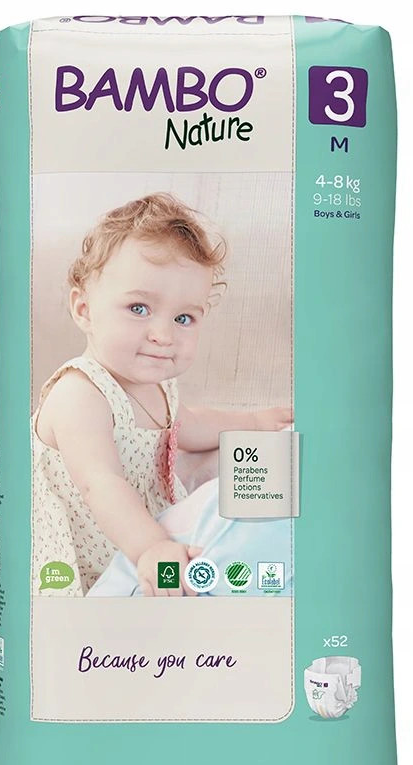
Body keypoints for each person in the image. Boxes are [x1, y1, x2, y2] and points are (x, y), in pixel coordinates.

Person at [33, 193, 292, 596]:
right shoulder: (79, 394)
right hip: (92, 552)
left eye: (183, 318)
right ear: (84, 310)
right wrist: (150, 547)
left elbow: (189, 423)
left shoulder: (157, 385)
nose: (163, 335)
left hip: (139, 531)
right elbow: (100, 482)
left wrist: (254, 422)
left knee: (239, 484)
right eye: (138, 308)